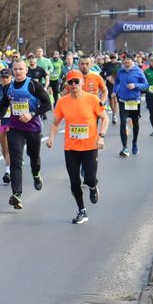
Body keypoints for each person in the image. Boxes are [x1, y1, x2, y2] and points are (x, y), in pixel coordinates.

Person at [47, 70, 109, 224]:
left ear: (82, 82)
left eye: (76, 81)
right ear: (67, 85)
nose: (74, 84)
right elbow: (55, 123)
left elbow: (105, 118)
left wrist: (101, 137)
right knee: (74, 181)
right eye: (70, 82)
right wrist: (51, 138)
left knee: (88, 179)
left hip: (90, 147)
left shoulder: (93, 99)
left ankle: (93, 187)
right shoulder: (62, 101)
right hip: (71, 148)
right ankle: (82, 210)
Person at [0, 60, 52, 210]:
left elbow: (47, 104)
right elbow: (4, 104)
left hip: (33, 129)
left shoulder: (33, 85)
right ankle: (17, 195)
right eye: (15, 69)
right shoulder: (8, 87)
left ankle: (36, 174)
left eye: (21, 69)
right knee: (16, 160)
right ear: (12, 71)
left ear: (26, 70)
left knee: (34, 159)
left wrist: (32, 113)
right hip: (15, 128)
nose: (18, 72)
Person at [112, 53, 148, 157]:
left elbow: (145, 85)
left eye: (128, 59)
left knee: (135, 123)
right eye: (124, 60)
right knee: (123, 122)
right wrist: (114, 91)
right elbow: (117, 82)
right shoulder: (120, 71)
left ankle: (134, 142)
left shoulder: (138, 71)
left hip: (134, 101)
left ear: (133, 61)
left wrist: (135, 85)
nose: (126, 61)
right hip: (123, 100)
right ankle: (125, 147)